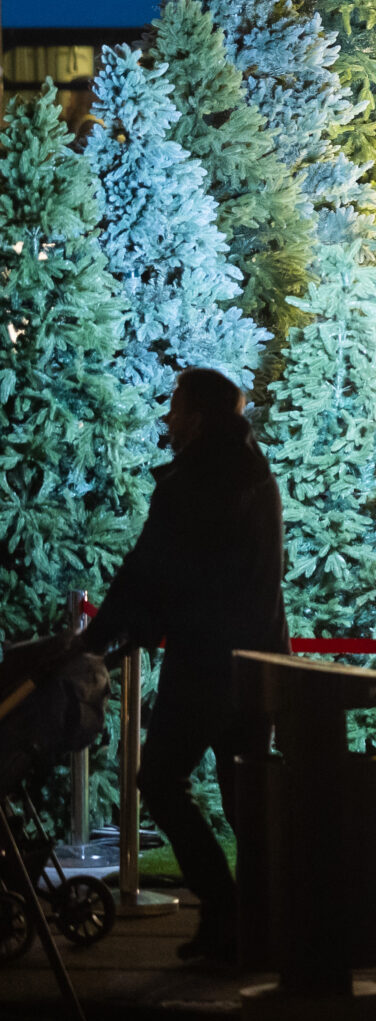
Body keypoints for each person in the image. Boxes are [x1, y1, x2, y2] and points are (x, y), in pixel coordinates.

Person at [78, 369, 286, 966]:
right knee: (244, 792)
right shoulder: (254, 473)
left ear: (196, 418)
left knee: (162, 781)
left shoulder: (192, 482)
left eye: (175, 406)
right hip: (259, 656)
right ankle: (264, 925)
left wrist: (99, 638)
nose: (167, 418)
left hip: (205, 660)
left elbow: (149, 569)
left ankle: (223, 911)